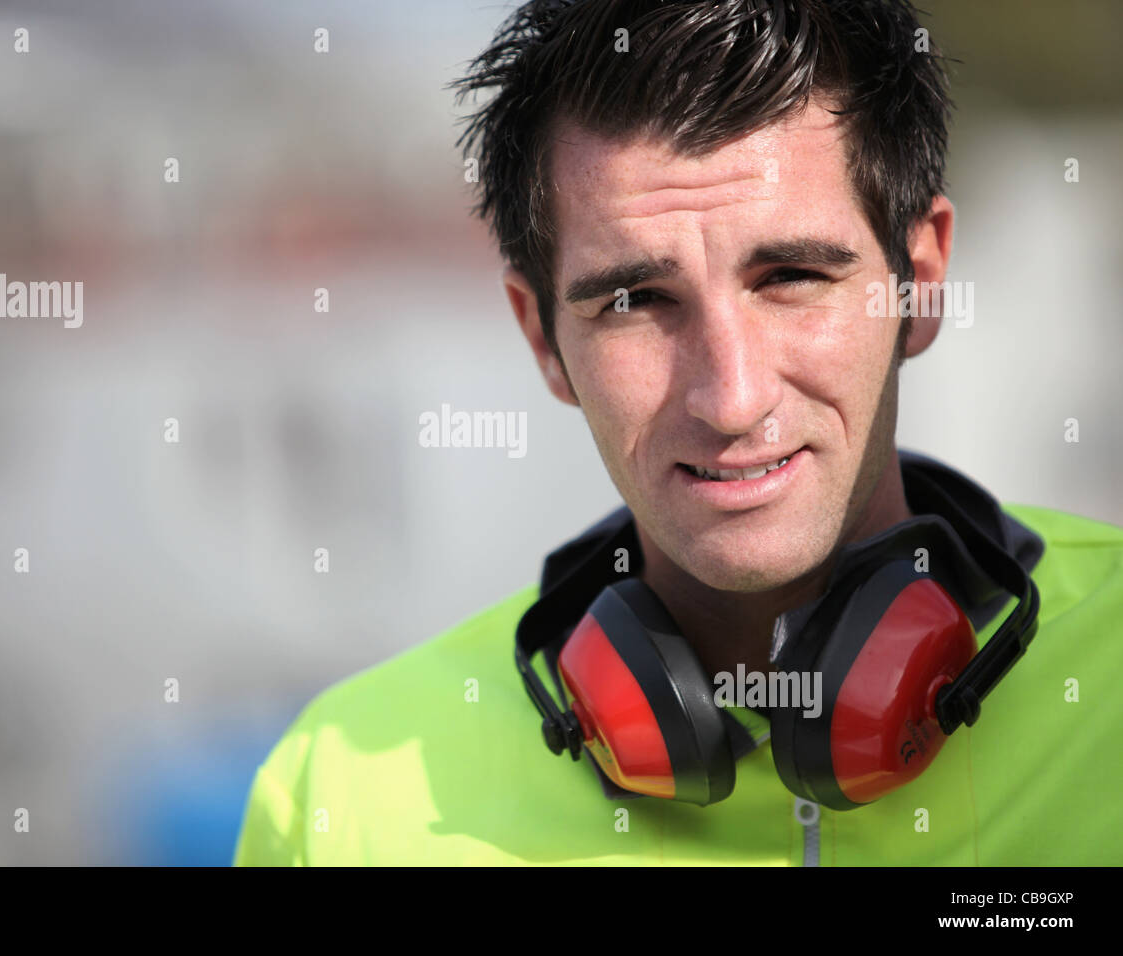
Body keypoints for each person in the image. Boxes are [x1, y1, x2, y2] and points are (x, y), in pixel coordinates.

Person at [233, 0, 1123, 866]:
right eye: (636, 301)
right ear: (542, 338)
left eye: (792, 275)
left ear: (920, 284)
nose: (730, 400)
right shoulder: (346, 800)